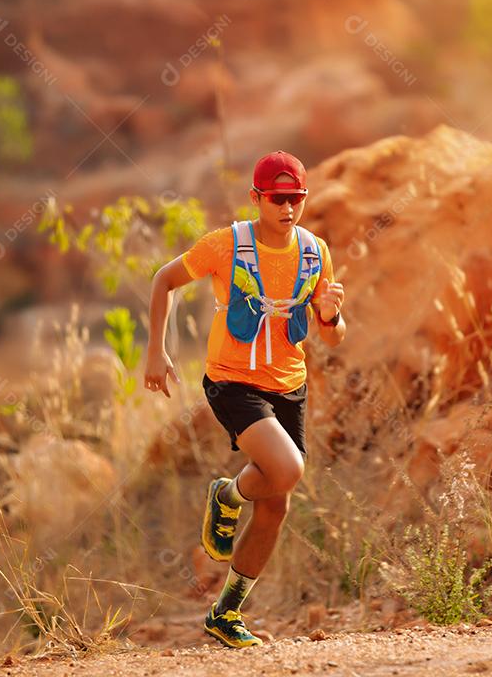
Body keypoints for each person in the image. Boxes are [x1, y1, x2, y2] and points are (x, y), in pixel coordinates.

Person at [143, 150, 346, 648]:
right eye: (277, 199)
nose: (288, 208)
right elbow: (164, 280)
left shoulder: (315, 251)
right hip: (232, 381)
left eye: (296, 198)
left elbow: (334, 335)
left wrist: (328, 315)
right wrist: (155, 350)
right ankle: (228, 496)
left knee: (276, 507)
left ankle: (226, 612)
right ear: (256, 197)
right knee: (288, 469)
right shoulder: (227, 244)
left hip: (289, 385)